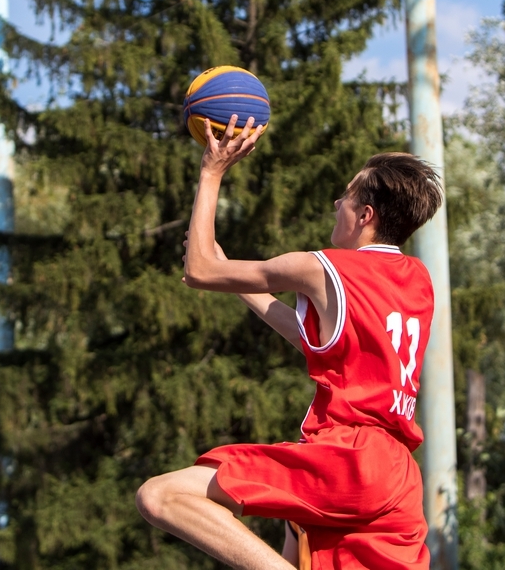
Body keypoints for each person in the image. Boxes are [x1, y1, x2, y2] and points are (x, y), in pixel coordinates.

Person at [136, 115, 444, 570]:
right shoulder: (418, 282)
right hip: (396, 476)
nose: (337, 202)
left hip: (347, 457)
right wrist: (240, 282)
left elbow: (198, 269)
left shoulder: (325, 267)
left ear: (366, 216)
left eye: (348, 196)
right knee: (297, 539)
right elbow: (322, 346)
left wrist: (212, 170)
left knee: (160, 495)